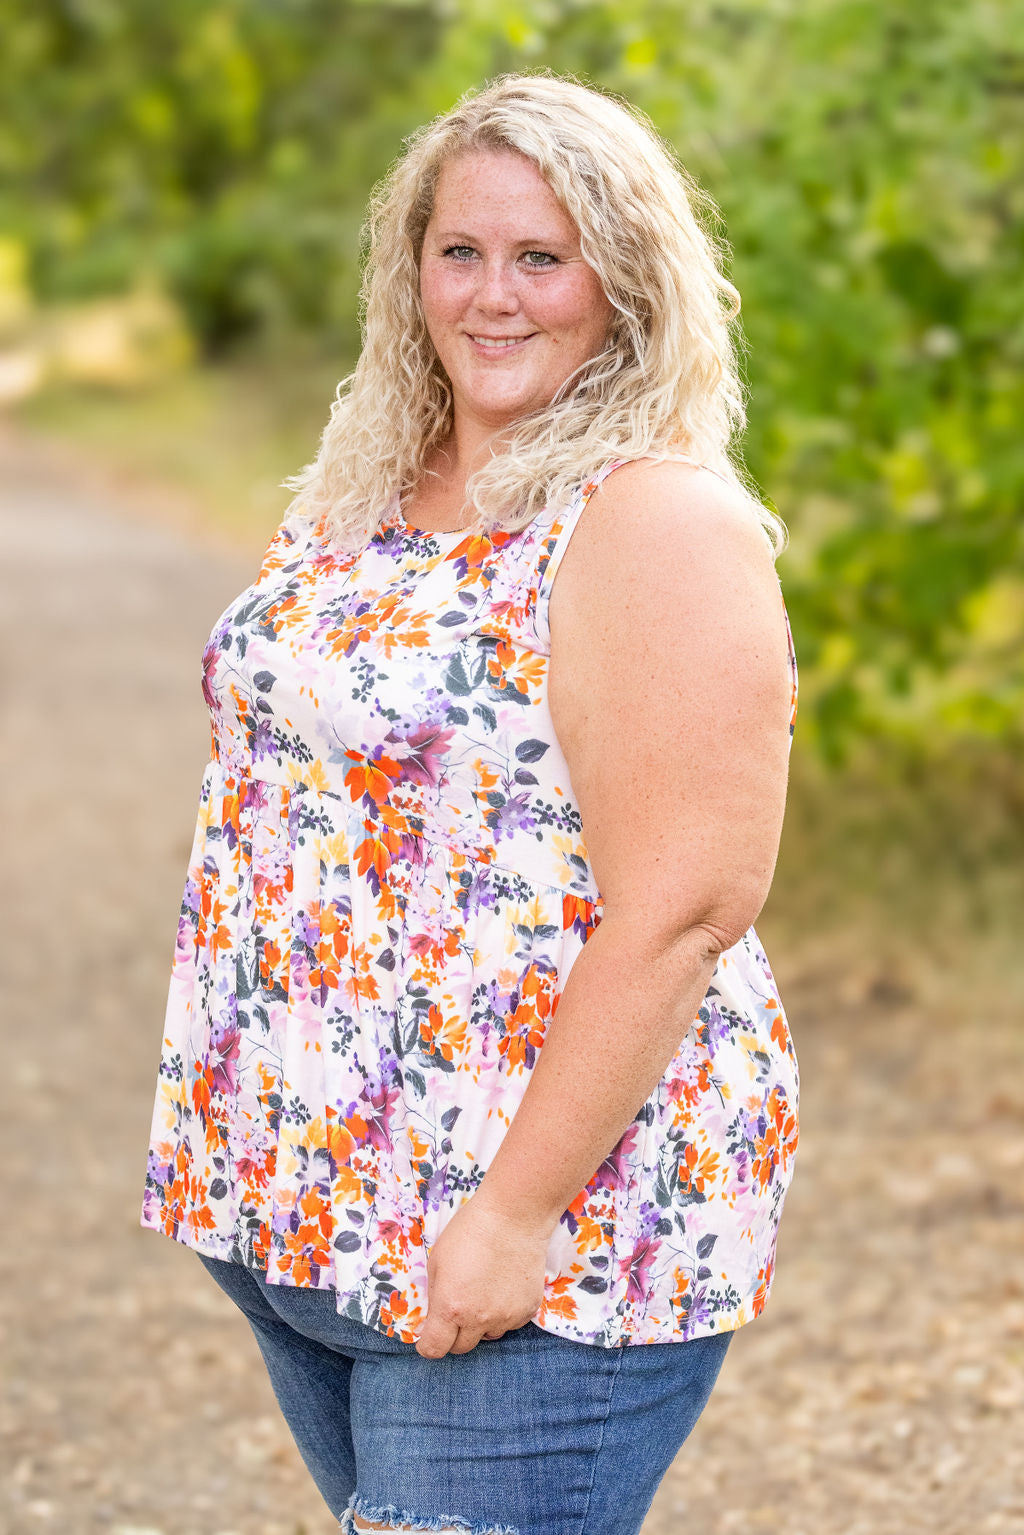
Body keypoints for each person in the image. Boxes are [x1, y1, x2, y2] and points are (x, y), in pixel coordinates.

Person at [140, 71, 800, 1535]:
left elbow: (689, 905)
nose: (494, 297)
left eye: (541, 257)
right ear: (410, 269)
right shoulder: (370, 482)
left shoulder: (652, 519)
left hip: (532, 1234)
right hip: (310, 1210)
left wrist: (509, 1220)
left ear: (621, 284)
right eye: (461, 252)